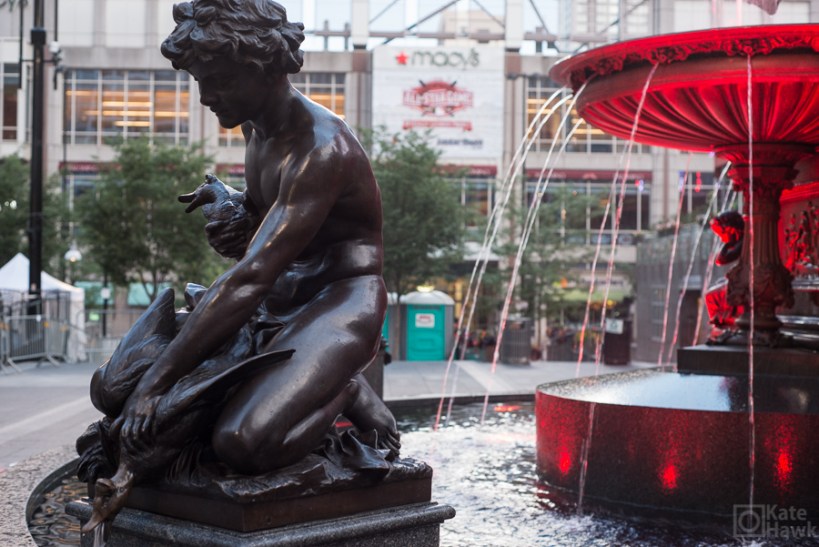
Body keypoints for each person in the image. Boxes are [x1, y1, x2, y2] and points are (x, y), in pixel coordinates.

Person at [117, 0, 399, 475]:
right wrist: (231, 202)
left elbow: (250, 276)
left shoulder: (321, 148)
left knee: (243, 441)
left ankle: (344, 388)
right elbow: (272, 217)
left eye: (219, 80)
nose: (206, 95)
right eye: (201, 79)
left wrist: (158, 384)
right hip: (278, 297)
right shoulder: (257, 128)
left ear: (262, 68)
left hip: (339, 302)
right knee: (115, 387)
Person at [705, 210, 745, 343]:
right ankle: (722, 321)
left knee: (711, 295)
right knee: (715, 291)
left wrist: (728, 244)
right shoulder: (739, 241)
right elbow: (720, 260)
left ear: (731, 229)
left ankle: (725, 320)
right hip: (742, 276)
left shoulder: (743, 241)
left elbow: (721, 260)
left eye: (723, 234)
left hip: (746, 279)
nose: (722, 238)